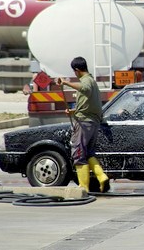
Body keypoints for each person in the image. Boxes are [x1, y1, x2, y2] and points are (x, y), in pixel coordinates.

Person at [56, 56, 109, 192]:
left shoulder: (86, 81)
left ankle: (83, 188)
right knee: (88, 153)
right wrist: (73, 111)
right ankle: (102, 176)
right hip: (93, 123)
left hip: (84, 124)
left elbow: (84, 89)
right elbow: (90, 105)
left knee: (78, 154)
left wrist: (66, 83)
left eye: (74, 72)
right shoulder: (93, 82)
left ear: (77, 70)